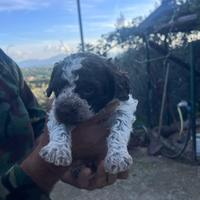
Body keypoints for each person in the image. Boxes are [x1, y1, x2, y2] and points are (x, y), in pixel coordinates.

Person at [0, 49, 128, 200]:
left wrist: (79, 152)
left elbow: (36, 122)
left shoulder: (4, 62)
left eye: (88, 89)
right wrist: (47, 166)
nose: (66, 105)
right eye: (59, 88)